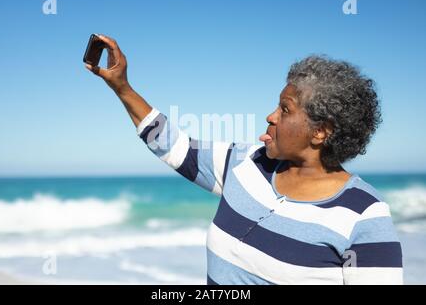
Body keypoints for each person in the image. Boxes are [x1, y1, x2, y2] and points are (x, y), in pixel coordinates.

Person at [85, 34, 403, 285]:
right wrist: (122, 87)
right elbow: (174, 145)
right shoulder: (248, 162)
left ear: (320, 132)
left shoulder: (364, 215)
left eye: (285, 109)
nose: (270, 116)